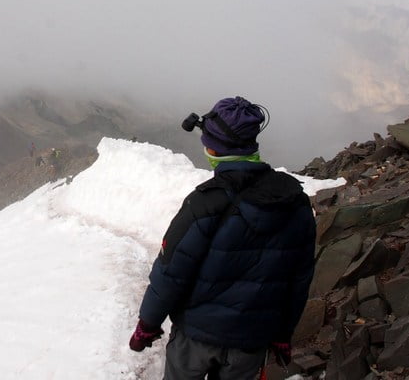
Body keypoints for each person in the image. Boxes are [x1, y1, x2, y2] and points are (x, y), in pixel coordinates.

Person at [128, 96, 316, 380]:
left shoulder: (205, 204)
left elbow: (172, 272)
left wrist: (148, 324)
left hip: (195, 336)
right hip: (252, 340)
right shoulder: (296, 203)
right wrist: (282, 334)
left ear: (213, 148)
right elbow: (298, 279)